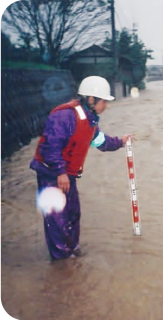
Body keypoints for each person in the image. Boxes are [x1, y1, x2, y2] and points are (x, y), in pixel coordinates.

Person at [30, 76, 128, 260]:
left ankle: (72, 251)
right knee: (57, 220)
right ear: (91, 100)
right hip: (51, 173)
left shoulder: (90, 120)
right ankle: (62, 263)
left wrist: (121, 142)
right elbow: (50, 147)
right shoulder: (64, 116)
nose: (105, 105)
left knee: (73, 214)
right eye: (104, 101)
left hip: (67, 174)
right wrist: (60, 172)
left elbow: (101, 141)